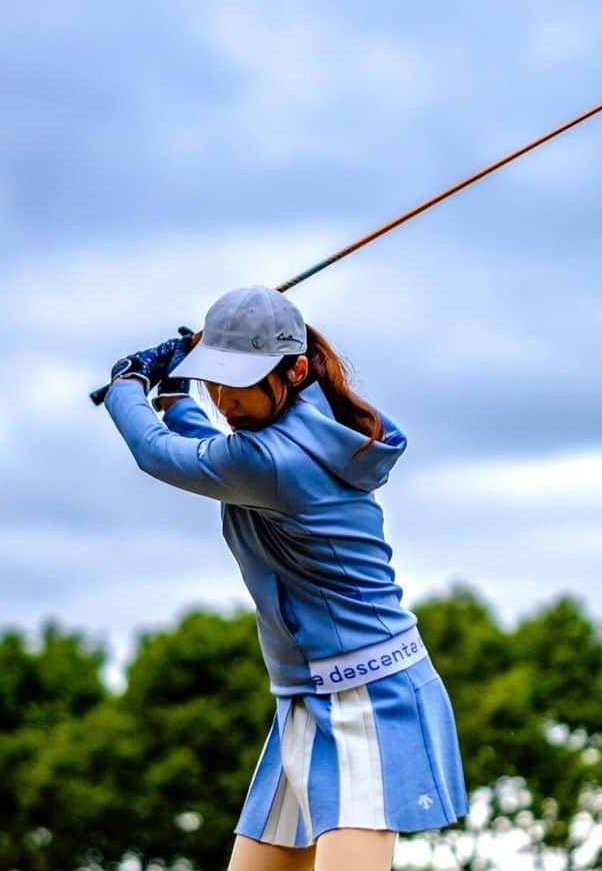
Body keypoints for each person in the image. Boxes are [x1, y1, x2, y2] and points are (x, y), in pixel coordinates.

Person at [104, 285, 468, 871]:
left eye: (240, 380)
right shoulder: (298, 430)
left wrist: (128, 383)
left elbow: (161, 454)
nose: (224, 398)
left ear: (295, 370)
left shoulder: (275, 463)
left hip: (370, 701)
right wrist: (173, 393)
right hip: (303, 702)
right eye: (213, 379)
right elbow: (215, 450)